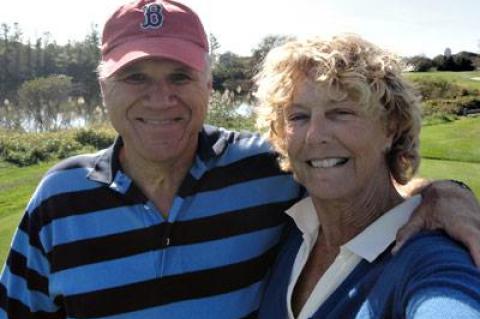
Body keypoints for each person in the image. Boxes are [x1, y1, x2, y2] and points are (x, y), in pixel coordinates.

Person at [0, 1, 479, 318]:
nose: (160, 98)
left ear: (209, 84)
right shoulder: (58, 201)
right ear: (104, 87)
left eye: (181, 76)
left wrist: (443, 194)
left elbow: (360, 187)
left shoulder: (265, 170)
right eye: (136, 77)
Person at [256, 34, 480, 318]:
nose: (315, 135)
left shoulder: (428, 259)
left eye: (341, 112)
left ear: (391, 127)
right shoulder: (289, 229)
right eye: (298, 117)